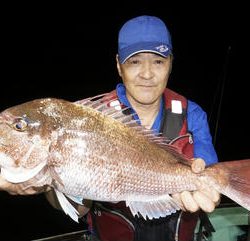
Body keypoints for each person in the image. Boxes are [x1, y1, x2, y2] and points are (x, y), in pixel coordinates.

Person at [0, 15, 220, 241]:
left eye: (158, 61)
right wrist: (46, 185)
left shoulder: (192, 114)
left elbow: (211, 179)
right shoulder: (94, 115)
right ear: (118, 65)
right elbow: (79, 209)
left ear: (171, 63)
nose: (146, 73)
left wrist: (207, 186)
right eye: (134, 62)